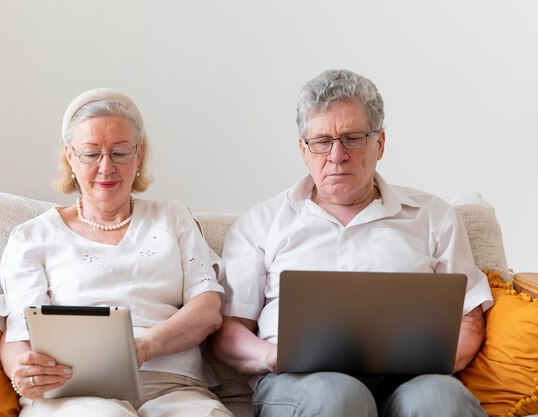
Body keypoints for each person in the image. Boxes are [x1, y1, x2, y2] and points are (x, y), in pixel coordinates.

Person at [210, 69, 493, 417]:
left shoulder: (433, 216)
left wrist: (436, 362)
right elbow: (228, 330)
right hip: (300, 382)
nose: (337, 154)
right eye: (322, 141)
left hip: (411, 379)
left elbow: (469, 316)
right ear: (303, 149)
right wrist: (271, 356)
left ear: (381, 143)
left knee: (442, 401)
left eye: (353, 138)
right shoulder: (261, 223)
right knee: (340, 397)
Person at [0, 88, 234, 417]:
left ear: (139, 155)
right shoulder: (33, 237)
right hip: (75, 389)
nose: (106, 167)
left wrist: (145, 346)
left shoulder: (173, 218)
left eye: (119, 152)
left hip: (173, 385)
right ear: (70, 156)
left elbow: (207, 308)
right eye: (91, 154)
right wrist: (23, 373)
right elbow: (19, 331)